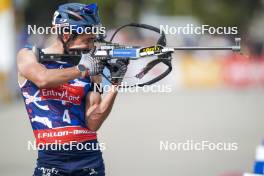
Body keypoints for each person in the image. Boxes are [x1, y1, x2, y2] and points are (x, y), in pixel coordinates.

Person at [17, 3, 127, 176]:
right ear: (66, 34)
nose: (91, 46)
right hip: (50, 160)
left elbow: (93, 122)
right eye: (86, 40)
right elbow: (43, 79)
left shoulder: (91, 67)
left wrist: (115, 84)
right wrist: (82, 69)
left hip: (90, 158)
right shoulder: (29, 55)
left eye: (93, 40)